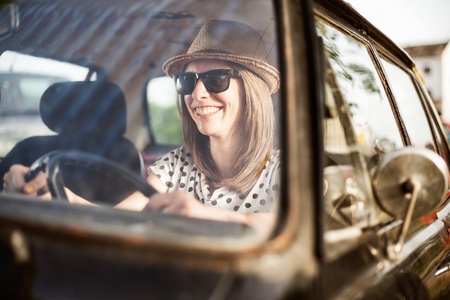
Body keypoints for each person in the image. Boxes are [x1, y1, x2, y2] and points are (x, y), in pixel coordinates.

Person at [3, 20, 281, 228]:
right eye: (187, 81)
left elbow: (285, 225)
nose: (196, 95)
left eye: (216, 79)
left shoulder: (286, 171)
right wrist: (62, 197)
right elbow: (120, 219)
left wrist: (207, 216)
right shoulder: (176, 165)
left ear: (252, 91)